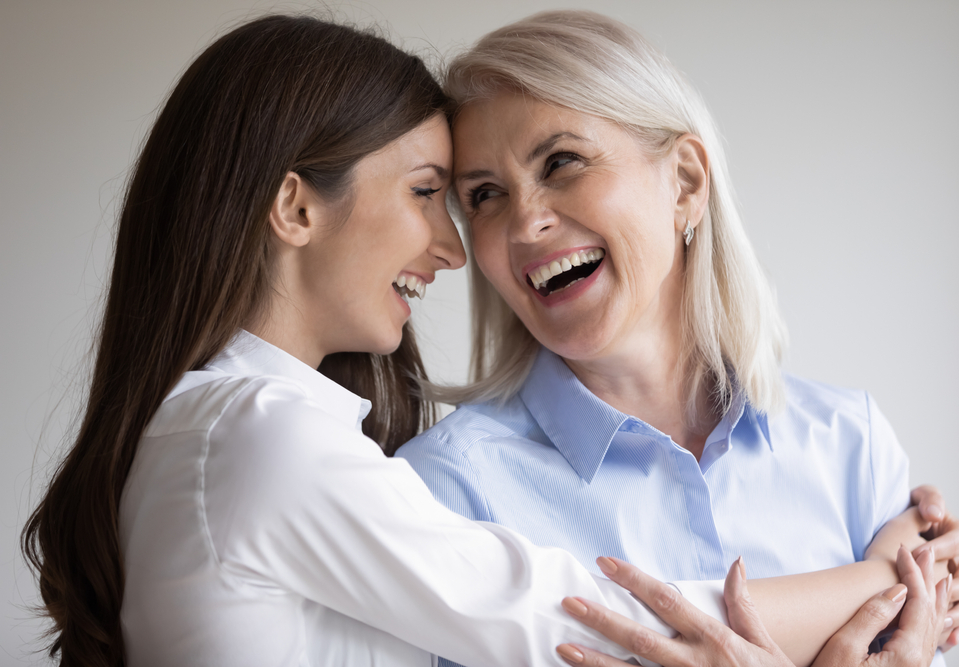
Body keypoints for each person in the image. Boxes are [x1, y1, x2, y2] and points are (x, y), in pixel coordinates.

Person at [20, 15, 737, 667]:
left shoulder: (229, 429)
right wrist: (856, 585)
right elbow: (594, 624)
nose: (453, 250)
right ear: (296, 207)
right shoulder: (261, 437)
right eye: (428, 192)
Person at [396, 10, 959, 667]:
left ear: (686, 183)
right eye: (484, 195)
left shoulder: (853, 446)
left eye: (561, 162)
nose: (526, 221)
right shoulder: (443, 491)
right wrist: (884, 581)